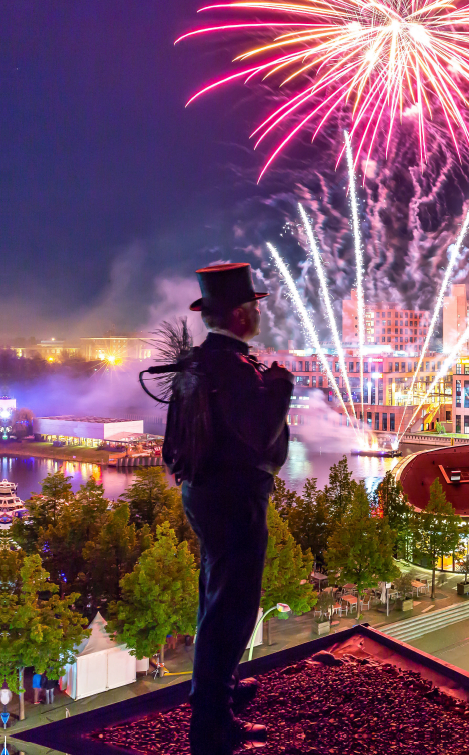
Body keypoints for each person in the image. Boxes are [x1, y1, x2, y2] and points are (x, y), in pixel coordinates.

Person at [162, 263, 294, 755]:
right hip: (237, 499)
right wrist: (280, 385)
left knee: (215, 594)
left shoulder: (196, 364)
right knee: (233, 606)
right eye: (254, 307)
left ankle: (219, 690)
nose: (259, 313)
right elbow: (261, 437)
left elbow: (172, 444)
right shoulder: (238, 372)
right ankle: (214, 722)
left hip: (204, 495)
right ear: (240, 316)